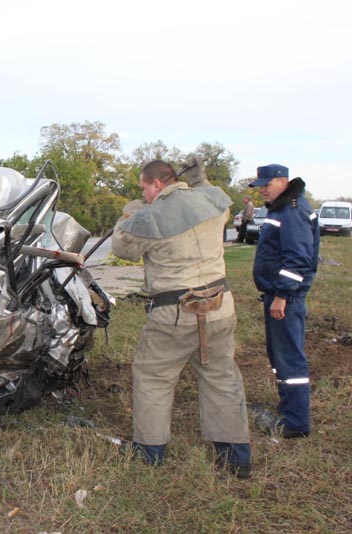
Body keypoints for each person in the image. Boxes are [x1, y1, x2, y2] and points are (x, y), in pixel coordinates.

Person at [112, 159, 251, 478]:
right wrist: (200, 184)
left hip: (174, 312)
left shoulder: (150, 216)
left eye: (143, 188)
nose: (143, 193)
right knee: (221, 376)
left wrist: (131, 210)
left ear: (156, 184)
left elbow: (122, 247)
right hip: (219, 306)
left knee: (153, 377)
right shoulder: (212, 201)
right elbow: (214, 198)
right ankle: (236, 457)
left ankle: (150, 453)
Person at [248, 164, 319, 438]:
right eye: (260, 185)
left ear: (283, 181)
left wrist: (281, 296)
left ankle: (295, 422)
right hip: (278, 294)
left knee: (289, 356)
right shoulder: (282, 207)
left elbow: (297, 260)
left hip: (285, 297)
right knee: (280, 355)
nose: (262, 189)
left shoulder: (291, 210)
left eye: (267, 184)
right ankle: (289, 409)